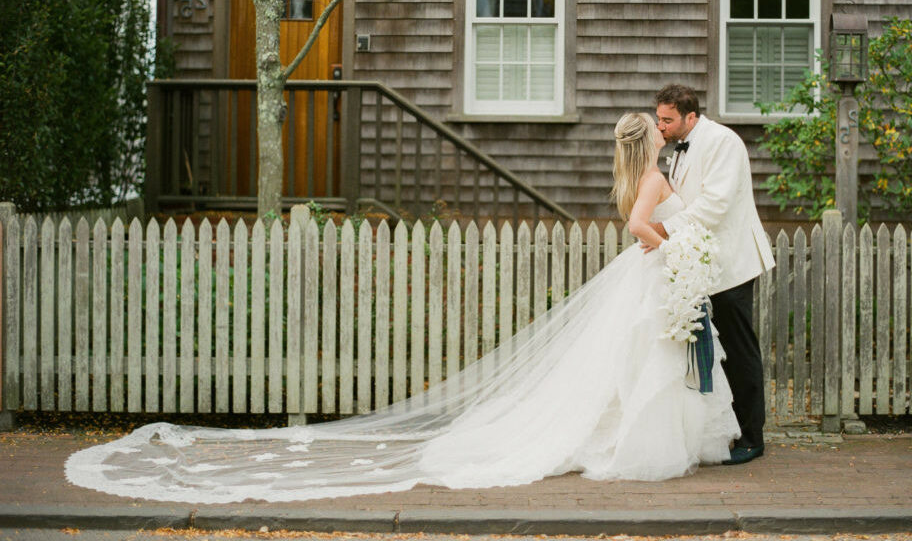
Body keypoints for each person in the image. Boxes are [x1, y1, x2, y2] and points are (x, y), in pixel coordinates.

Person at [65, 113, 739, 504]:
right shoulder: (652, 176)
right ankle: (646, 445)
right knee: (650, 357)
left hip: (649, 277)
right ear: (650, 140)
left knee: (639, 357)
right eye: (660, 132)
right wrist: (677, 245)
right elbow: (641, 229)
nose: (665, 139)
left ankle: (640, 435)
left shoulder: (629, 176)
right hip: (656, 269)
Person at [651, 84, 775, 465]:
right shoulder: (680, 147)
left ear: (691, 116)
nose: (661, 126)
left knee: (738, 351)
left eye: (667, 120)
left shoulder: (724, 141)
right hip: (701, 264)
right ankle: (727, 430)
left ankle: (753, 438)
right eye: (659, 119)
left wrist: (664, 232)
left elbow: (715, 204)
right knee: (712, 353)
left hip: (732, 263)